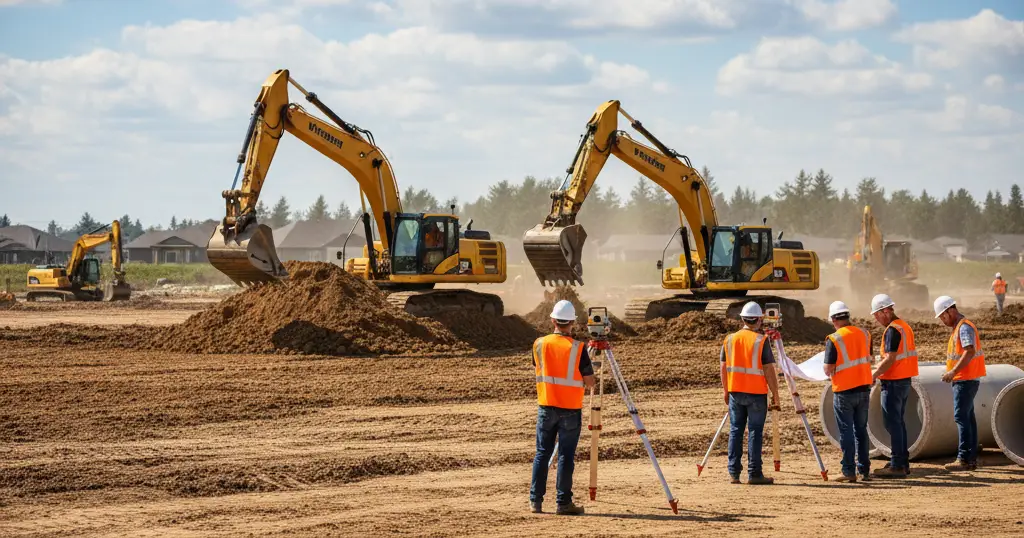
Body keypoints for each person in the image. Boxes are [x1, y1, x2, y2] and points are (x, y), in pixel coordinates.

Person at [529, 299, 595, 515]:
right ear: (572, 323)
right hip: (570, 410)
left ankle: (535, 501)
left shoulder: (538, 343)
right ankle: (563, 503)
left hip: (546, 407)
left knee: (542, 454)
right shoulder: (578, 348)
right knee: (566, 456)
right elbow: (590, 382)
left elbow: (541, 367)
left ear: (552, 320)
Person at [720, 302, 781, 485]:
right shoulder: (761, 341)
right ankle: (754, 473)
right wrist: (775, 394)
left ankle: (734, 473)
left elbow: (723, 367)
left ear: (742, 319)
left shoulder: (729, 339)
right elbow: (769, 369)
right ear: (759, 320)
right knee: (755, 431)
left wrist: (726, 390)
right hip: (756, 393)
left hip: (735, 392)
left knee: (736, 431)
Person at [934, 295, 987, 471]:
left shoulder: (963, 328)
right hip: (966, 378)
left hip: (965, 379)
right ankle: (970, 457)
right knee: (968, 417)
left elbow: (969, 351)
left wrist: (953, 371)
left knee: (961, 417)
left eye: (943, 316)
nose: (942, 320)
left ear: (951, 311)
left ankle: (964, 458)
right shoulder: (960, 327)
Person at [823, 300, 874, 483]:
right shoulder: (865, 334)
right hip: (864, 388)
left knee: (846, 432)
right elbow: (870, 358)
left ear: (834, 319)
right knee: (861, 430)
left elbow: (828, 368)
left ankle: (848, 471)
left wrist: (829, 371)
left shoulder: (834, 338)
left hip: (844, 391)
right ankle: (865, 470)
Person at [869, 294, 918, 478]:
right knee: (898, 423)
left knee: (892, 423)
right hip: (904, 380)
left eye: (877, 315)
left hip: (894, 382)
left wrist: (873, 374)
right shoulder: (904, 327)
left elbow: (890, 359)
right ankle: (901, 461)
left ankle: (898, 464)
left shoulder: (892, 330)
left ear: (885, 311)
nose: (876, 319)